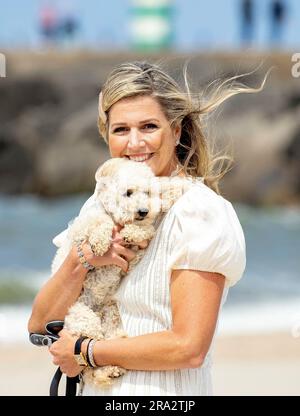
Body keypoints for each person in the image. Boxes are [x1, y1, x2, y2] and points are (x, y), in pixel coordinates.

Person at [28, 61, 266, 396]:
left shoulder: (198, 212)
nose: (135, 143)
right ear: (106, 134)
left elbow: (189, 347)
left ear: (177, 130)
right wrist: (81, 259)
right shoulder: (100, 204)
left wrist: (85, 351)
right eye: (121, 130)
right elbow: (39, 324)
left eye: (149, 126)